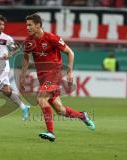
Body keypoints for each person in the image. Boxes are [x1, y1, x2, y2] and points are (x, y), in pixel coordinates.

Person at [19, 14, 95, 142]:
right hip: (43, 77)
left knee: (41, 99)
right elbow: (26, 57)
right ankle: (82, 116)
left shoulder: (51, 38)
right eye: (26, 25)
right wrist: (22, 75)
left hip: (54, 73)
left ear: (38, 25)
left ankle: (50, 132)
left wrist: (70, 72)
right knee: (60, 110)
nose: (27, 27)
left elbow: (70, 53)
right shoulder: (28, 41)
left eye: (30, 25)